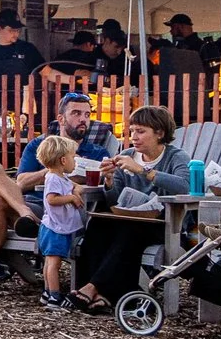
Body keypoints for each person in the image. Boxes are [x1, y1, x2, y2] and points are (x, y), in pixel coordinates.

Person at [0, 91, 111, 294]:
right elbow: (21, 182)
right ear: (61, 118)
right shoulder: (40, 145)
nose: (83, 119)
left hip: (63, 216)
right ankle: (24, 214)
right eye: (76, 113)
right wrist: (53, 166)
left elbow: (98, 184)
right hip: (31, 207)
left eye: (87, 115)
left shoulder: (97, 152)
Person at [65, 105, 191, 312]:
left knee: (130, 231)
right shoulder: (128, 154)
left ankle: (91, 287)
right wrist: (109, 180)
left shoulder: (176, 157)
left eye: (141, 131)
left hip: (166, 223)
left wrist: (143, 171)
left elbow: (185, 186)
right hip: (129, 218)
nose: (134, 136)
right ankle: (105, 296)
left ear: (159, 133)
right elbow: (115, 200)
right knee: (98, 224)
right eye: (132, 131)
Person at [33, 135, 86, 311]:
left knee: (50, 262)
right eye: (73, 157)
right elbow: (52, 199)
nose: (75, 161)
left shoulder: (59, 177)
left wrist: (76, 189)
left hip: (54, 227)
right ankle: (55, 296)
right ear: (63, 160)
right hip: (55, 229)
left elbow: (74, 185)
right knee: (53, 264)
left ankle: (47, 292)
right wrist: (71, 198)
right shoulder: (54, 179)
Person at [0, 11, 45, 95]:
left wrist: (63, 79)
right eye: (12, 30)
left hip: (24, 101)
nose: (16, 34)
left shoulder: (27, 49)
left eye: (18, 30)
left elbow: (47, 72)